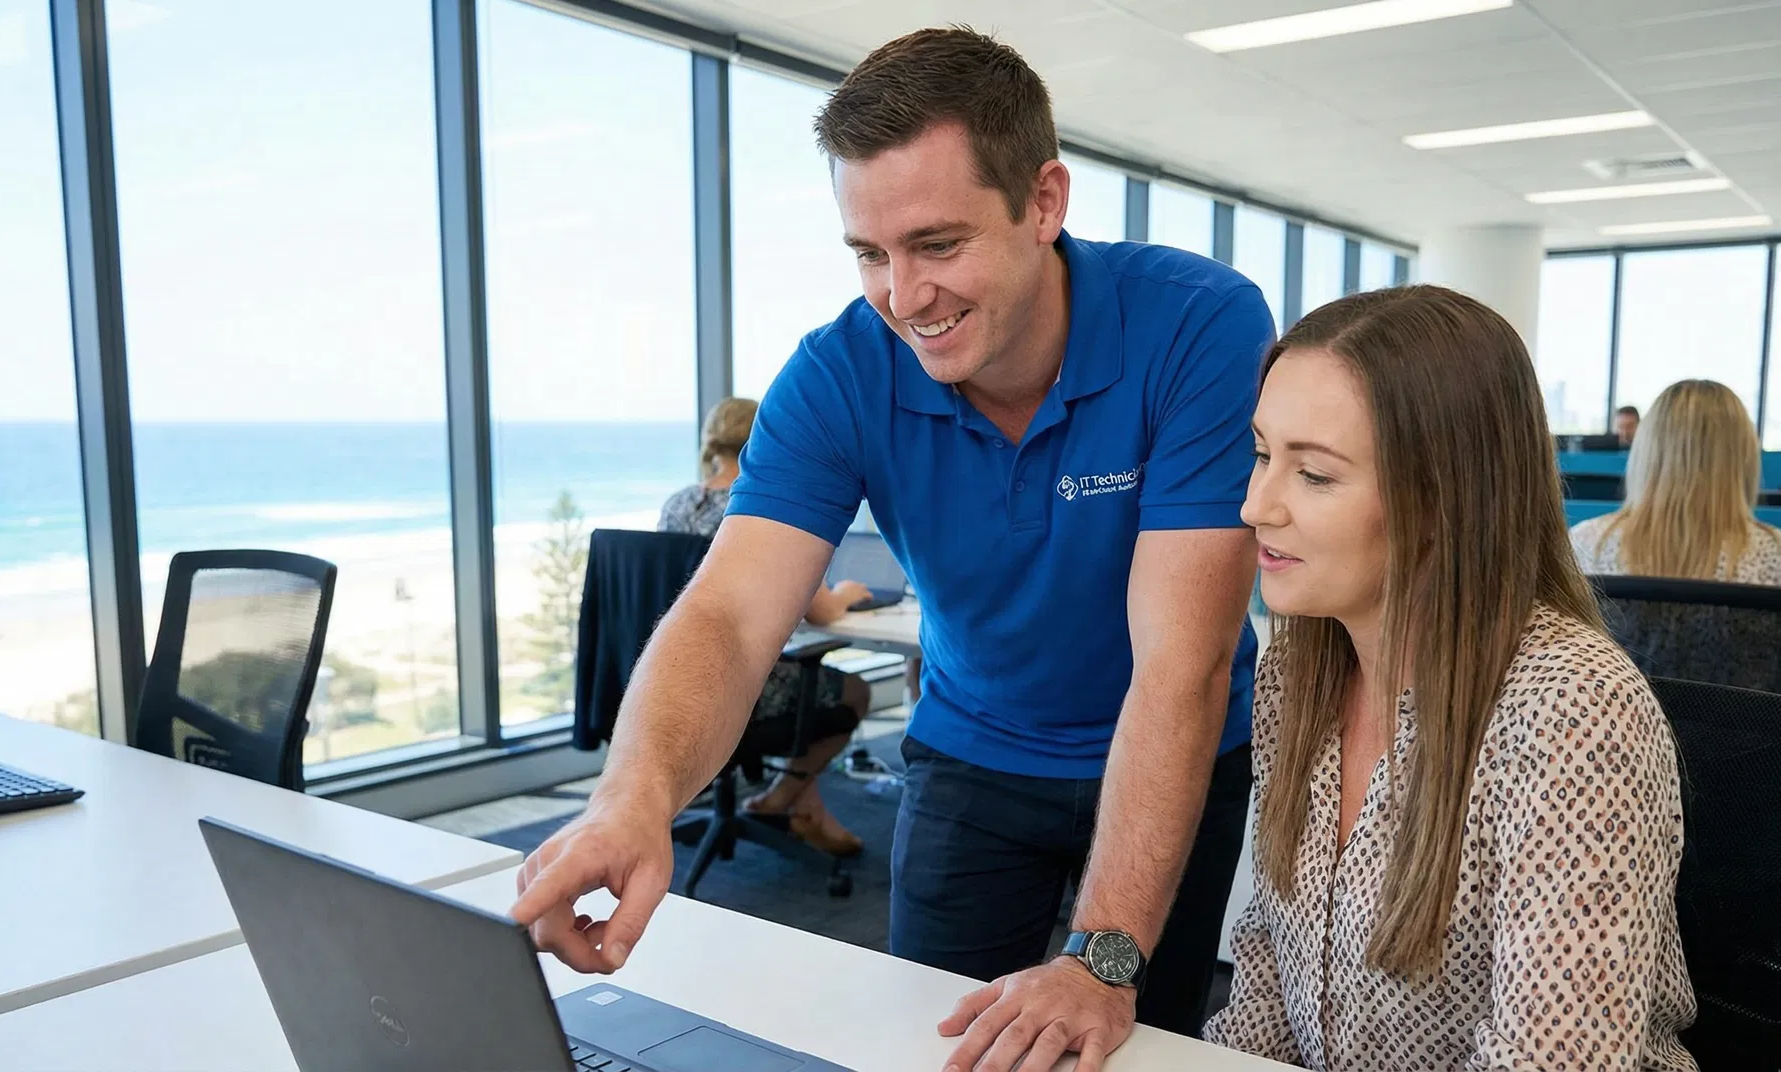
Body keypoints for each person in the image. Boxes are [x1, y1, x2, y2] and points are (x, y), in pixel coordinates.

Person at [509, 26, 1272, 1071]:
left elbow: (1179, 665)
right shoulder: (838, 373)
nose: (903, 298)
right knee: (932, 1048)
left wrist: (1100, 956)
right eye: (870, 252)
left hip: (1180, 744)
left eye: (938, 245)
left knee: (1142, 1046)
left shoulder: (1198, 325)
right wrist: (631, 798)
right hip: (974, 753)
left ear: (1043, 202)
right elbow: (730, 616)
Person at [1205, 286, 1696, 1069]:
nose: (1254, 505)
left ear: (1442, 499)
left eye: (1317, 476)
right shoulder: (1299, 667)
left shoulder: (1572, 709)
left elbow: (1548, 1062)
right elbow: (1269, 961)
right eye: (1264, 455)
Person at [657, 396, 874, 857]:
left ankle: (801, 806)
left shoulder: (676, 505)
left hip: (674, 678)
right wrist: (847, 594)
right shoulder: (757, 507)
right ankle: (780, 799)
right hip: (741, 688)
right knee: (855, 692)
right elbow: (821, 612)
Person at [1572, 380, 1781, 710]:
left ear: (1645, 452)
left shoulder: (1585, 546)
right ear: (1744, 457)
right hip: (1749, 759)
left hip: (1618, 754)